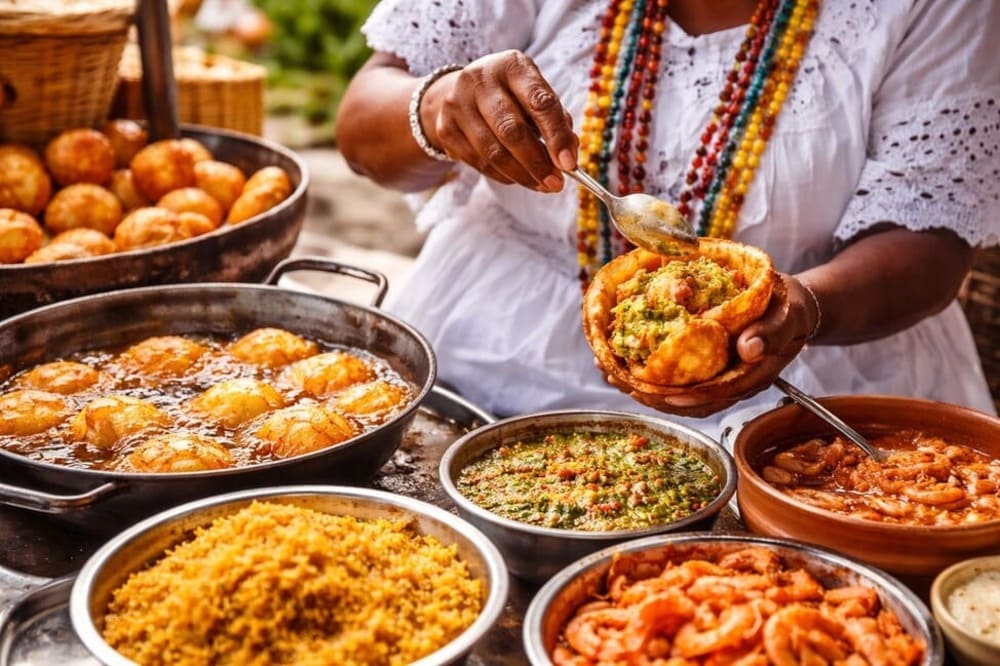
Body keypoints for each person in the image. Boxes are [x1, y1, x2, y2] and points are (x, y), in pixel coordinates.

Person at [335, 0, 998, 436]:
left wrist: (800, 307)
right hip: (484, 356)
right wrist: (435, 108)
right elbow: (364, 126)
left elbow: (928, 241)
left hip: (799, 401)